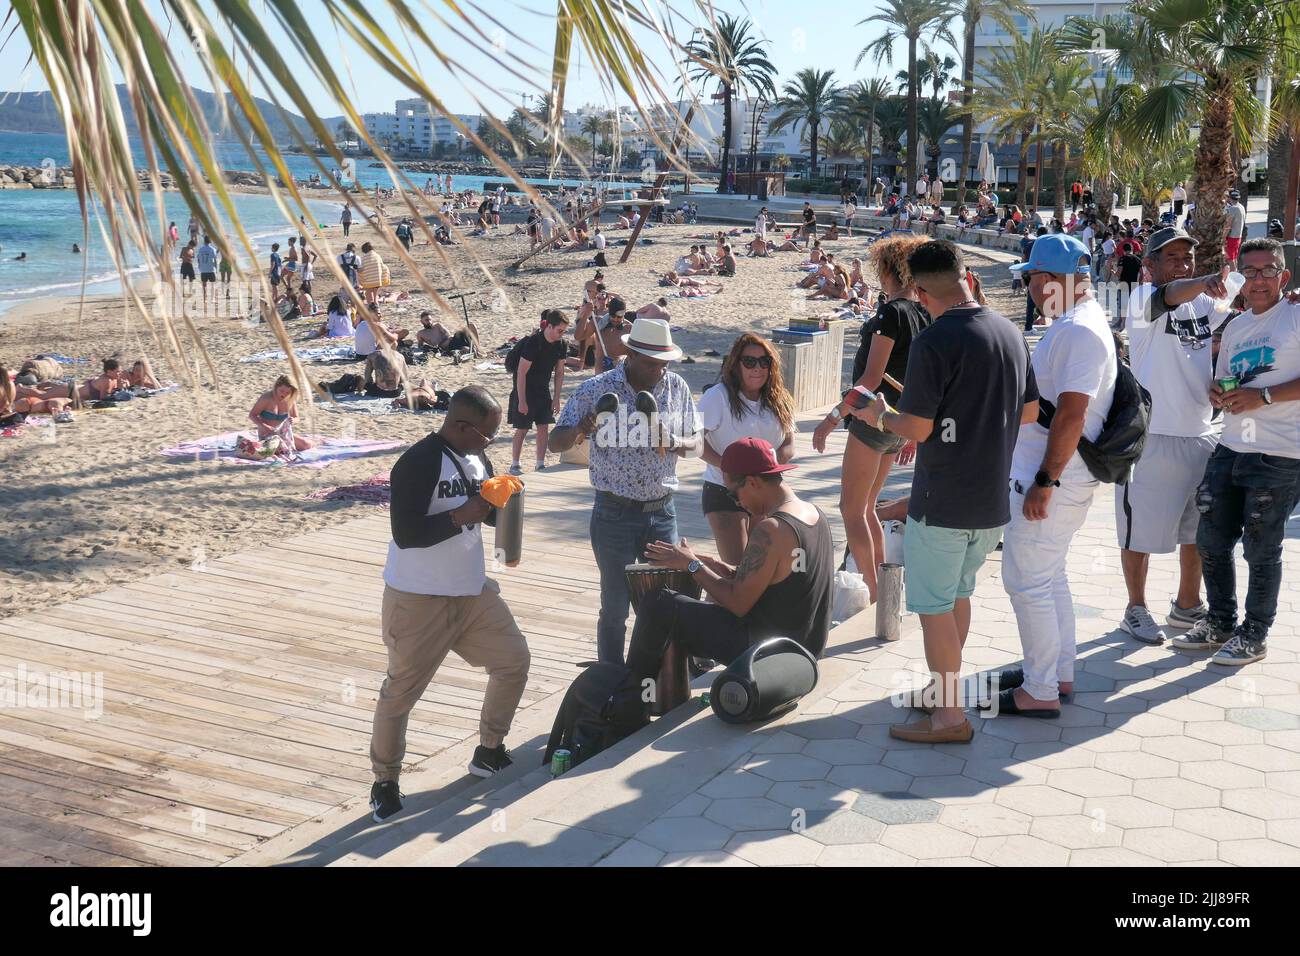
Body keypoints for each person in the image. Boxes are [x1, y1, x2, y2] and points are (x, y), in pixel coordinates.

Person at [850, 239, 1038, 743]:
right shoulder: (1009, 332)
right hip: (991, 500)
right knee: (958, 595)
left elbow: (916, 427)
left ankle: (950, 718)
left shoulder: (936, 341)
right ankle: (945, 694)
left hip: (944, 502)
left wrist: (877, 414)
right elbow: (1030, 412)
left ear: (919, 290)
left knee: (934, 608)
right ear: (965, 274)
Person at [368, 386, 531, 821]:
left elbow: (490, 514)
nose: (490, 442)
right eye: (487, 434)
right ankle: (385, 781)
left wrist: (506, 499)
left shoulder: (477, 457)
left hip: (471, 591)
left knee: (514, 661)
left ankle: (488, 751)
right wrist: (466, 512)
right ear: (461, 426)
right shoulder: (418, 462)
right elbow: (407, 533)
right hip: (417, 597)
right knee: (400, 692)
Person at [994, 234, 1116, 718]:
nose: (1028, 287)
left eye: (1029, 278)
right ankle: (1054, 673)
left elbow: (1071, 414)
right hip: (1057, 476)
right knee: (1050, 577)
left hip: (1052, 479)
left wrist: (1044, 482)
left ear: (1047, 279)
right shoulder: (1078, 323)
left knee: (1027, 583)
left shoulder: (1079, 330)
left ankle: (1039, 690)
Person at [548, 318, 703, 663]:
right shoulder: (596, 389)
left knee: (665, 600)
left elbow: (696, 443)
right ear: (629, 355)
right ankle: (610, 677)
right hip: (613, 513)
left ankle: (661, 674)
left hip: (662, 510)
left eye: (664, 363)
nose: (659, 371)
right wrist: (581, 427)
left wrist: (673, 441)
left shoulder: (676, 387)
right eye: (651, 363)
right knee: (615, 604)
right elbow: (556, 444)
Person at [1179, 238, 1300, 665]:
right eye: (1250, 272)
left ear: (1284, 276)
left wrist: (1262, 397)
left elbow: (1263, 391)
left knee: (1261, 549)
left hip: (1280, 455)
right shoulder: (1235, 326)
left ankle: (1255, 633)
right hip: (1230, 446)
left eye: (1269, 271)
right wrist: (1219, 393)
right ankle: (1221, 621)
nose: (1259, 279)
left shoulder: (1297, 315)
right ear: (1240, 279)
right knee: (1211, 540)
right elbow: (1228, 381)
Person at [628, 437, 834, 683]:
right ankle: (661, 692)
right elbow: (782, 583)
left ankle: (626, 700)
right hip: (804, 651)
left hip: (768, 653)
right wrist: (718, 566)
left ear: (753, 482)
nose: (737, 503)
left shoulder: (772, 529)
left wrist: (692, 566)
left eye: (734, 494)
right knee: (679, 607)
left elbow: (738, 603)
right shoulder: (814, 514)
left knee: (659, 605)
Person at [1116, 227, 1223, 645]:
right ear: (1151, 265)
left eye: (1189, 256)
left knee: (1197, 532)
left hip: (1201, 434)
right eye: (1173, 257)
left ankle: (1186, 605)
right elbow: (1172, 294)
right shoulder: (1143, 300)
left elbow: (1245, 316)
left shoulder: (1205, 304)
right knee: (1138, 531)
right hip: (1150, 437)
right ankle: (1135, 609)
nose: (1183, 263)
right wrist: (1203, 281)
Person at [813, 234, 929, 601]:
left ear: (888, 270)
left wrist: (833, 416)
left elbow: (871, 378)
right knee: (867, 508)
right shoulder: (923, 313)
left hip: (872, 418)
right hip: (898, 420)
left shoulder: (891, 313)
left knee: (852, 510)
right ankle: (884, 592)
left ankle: (875, 595)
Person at [699, 335, 796, 564]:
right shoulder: (716, 397)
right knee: (737, 568)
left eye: (765, 362)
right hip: (724, 490)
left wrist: (774, 461)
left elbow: (790, 442)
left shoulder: (780, 398)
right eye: (749, 362)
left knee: (761, 567)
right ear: (736, 364)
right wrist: (730, 467)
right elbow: (695, 442)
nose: (757, 368)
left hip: (765, 493)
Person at [508, 309, 569, 475]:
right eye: (560, 331)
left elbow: (560, 372)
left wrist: (556, 398)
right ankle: (515, 464)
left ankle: (540, 464)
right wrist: (521, 401)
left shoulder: (561, 344)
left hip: (543, 390)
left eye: (564, 331)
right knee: (522, 428)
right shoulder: (534, 342)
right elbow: (521, 373)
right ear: (549, 326)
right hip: (525, 389)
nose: (562, 334)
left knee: (543, 427)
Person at [249, 375, 315, 452]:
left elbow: (297, 417)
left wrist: (293, 420)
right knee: (274, 449)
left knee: (306, 445)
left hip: (283, 434)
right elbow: (252, 415)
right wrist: (264, 426)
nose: (284, 394)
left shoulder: (290, 400)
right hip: (266, 435)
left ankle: (317, 442)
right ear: (276, 387)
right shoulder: (266, 398)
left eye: (288, 392)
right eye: (282, 391)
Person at [359, 242, 389, 307]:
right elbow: (383, 267)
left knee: (368, 292)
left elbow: (361, 269)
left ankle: (371, 305)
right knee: (375, 294)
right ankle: (376, 304)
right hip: (377, 280)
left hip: (369, 280)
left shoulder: (363, 258)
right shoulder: (377, 256)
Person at [1225, 190, 1247, 264]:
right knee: (1234, 258)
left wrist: (1222, 237)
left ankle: (1233, 274)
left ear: (1230, 198)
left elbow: (1228, 225)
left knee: (1230, 259)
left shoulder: (1233, 209)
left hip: (1231, 237)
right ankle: (1236, 273)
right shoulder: (1241, 207)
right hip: (1238, 237)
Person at [196, 235, 218, 306]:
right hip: (211, 269)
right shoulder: (213, 249)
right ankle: (212, 299)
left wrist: (199, 267)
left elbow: (198, 259)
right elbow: (215, 260)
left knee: (204, 285)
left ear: (204, 241)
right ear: (210, 241)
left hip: (203, 269)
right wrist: (216, 269)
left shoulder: (200, 249)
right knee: (213, 284)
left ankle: (205, 299)